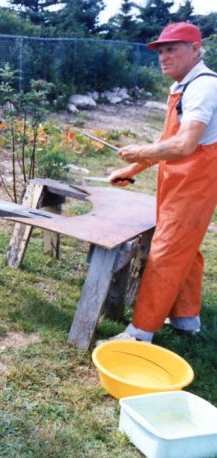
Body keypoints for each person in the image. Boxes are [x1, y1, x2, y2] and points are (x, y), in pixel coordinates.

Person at [101, 22, 217, 343]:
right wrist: (132, 169)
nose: (163, 57)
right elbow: (169, 140)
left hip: (194, 184)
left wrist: (139, 151)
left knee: (166, 251)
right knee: (186, 248)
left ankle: (140, 332)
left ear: (195, 49)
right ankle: (185, 319)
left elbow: (184, 146)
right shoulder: (182, 85)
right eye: (161, 50)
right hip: (179, 181)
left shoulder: (203, 87)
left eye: (172, 49)